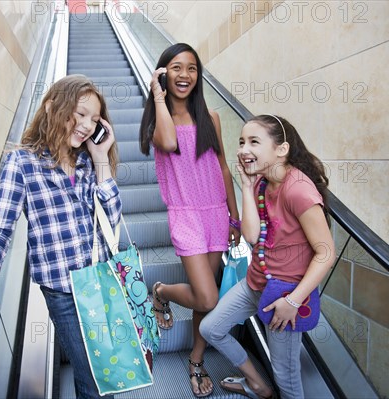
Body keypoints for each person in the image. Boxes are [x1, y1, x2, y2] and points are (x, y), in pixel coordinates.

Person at [0, 75, 122, 399]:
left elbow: (111, 222)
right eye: (80, 113)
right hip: (64, 293)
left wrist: (101, 160)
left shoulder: (87, 161)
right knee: (95, 380)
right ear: (52, 106)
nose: (87, 125)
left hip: (100, 280)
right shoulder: (22, 163)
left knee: (106, 372)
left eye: (95, 119)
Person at [199, 114, 336, 398]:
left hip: (284, 296)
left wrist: (293, 301)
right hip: (255, 283)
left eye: (253, 142)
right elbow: (250, 236)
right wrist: (247, 188)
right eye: (241, 142)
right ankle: (258, 384)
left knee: (286, 378)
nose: (242, 149)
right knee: (211, 328)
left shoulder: (298, 189)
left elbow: (326, 252)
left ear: (281, 149)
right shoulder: (262, 183)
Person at [139, 43, 241, 397]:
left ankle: (196, 360)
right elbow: (168, 141)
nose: (185, 75)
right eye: (177, 68)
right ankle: (162, 291)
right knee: (208, 298)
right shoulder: (158, 119)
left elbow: (223, 167)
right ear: (163, 72)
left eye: (192, 68)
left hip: (216, 214)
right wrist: (157, 94)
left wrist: (235, 216)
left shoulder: (211, 117)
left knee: (204, 296)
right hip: (185, 216)